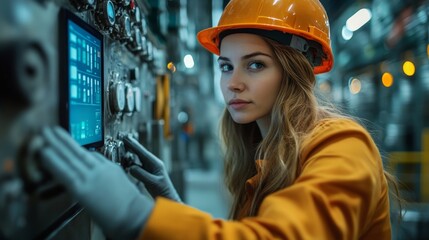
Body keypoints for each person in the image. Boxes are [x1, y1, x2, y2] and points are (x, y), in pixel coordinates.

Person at [38, 0, 400, 239]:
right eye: (226, 66)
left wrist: (138, 217)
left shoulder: (344, 146)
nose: (233, 83)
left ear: (294, 73)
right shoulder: (263, 153)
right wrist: (174, 206)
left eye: (255, 64)